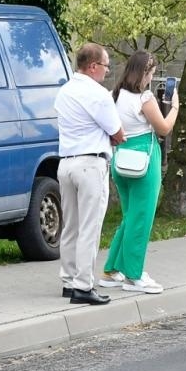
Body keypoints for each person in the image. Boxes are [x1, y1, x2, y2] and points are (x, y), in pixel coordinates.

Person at [54, 43, 126, 304]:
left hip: (66, 163)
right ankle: (84, 286)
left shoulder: (64, 92)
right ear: (93, 66)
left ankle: (68, 279)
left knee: (70, 225)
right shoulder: (98, 94)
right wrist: (115, 137)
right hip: (91, 163)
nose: (107, 71)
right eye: (106, 66)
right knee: (89, 227)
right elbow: (118, 132)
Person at [101, 51, 178, 294]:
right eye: (152, 73)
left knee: (129, 216)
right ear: (144, 73)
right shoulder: (144, 98)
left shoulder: (116, 95)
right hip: (145, 159)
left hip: (121, 158)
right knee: (141, 219)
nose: (152, 78)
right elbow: (164, 129)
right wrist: (174, 106)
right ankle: (134, 275)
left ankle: (113, 269)